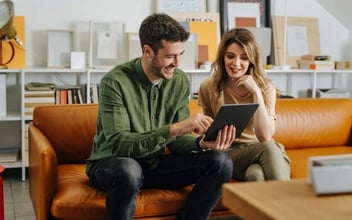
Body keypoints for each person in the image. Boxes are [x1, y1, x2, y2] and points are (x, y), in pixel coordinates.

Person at [86, 13, 234, 220]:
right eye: (170, 56)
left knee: (221, 162)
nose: (177, 62)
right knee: (128, 169)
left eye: (180, 54)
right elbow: (119, 144)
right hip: (112, 165)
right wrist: (175, 128)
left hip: (154, 164)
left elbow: (177, 142)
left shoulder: (179, 81)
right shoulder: (115, 82)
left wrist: (201, 143)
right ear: (147, 51)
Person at [198, 28, 291, 182]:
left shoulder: (265, 88)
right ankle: (292, 205)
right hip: (232, 153)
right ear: (222, 57)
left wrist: (256, 93)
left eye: (244, 58)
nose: (236, 63)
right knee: (267, 149)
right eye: (230, 56)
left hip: (266, 152)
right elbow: (208, 132)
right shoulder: (209, 87)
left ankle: (270, 206)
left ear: (252, 60)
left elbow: (265, 136)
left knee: (256, 175)